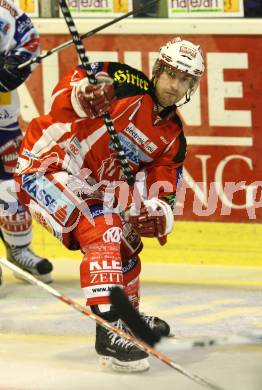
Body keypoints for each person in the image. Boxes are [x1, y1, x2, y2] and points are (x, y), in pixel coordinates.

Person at [14, 37, 204, 372]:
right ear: (158, 69)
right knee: (105, 226)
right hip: (46, 165)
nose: (175, 86)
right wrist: (81, 96)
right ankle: (109, 330)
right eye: (171, 74)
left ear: (192, 85)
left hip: (86, 187)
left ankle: (127, 318)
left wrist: (157, 211)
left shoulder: (173, 136)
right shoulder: (124, 82)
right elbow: (63, 98)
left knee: (128, 244)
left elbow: (164, 186)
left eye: (185, 80)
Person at [0, 0, 53, 285]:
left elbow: (28, 39)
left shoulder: (5, 9)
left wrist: (15, 65)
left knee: (11, 182)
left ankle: (18, 248)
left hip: (3, 117)